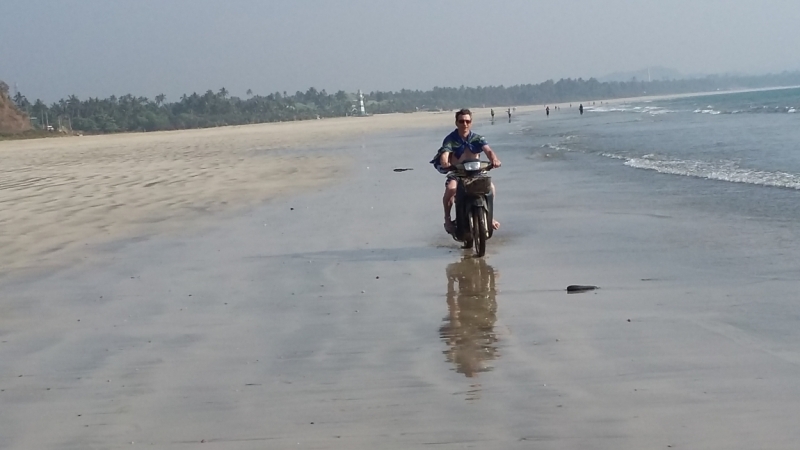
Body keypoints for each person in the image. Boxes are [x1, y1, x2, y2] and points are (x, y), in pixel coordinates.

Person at [432, 108, 501, 235]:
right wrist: (445, 162)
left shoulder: (477, 138)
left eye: (467, 121)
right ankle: (447, 219)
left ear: (471, 122)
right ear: (456, 122)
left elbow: (488, 151)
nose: (465, 124)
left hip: (476, 172)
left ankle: (490, 216)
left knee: (490, 187)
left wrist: (495, 160)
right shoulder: (450, 139)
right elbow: (445, 152)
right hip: (458, 173)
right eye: (461, 121)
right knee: (451, 189)